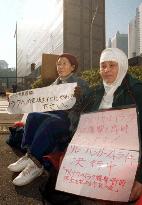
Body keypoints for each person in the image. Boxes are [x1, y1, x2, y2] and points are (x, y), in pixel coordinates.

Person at [7, 53, 93, 186]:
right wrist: (16, 100)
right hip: (54, 115)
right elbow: (38, 99)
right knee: (33, 116)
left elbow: (88, 102)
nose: (60, 66)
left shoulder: (80, 83)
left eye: (64, 63)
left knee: (50, 122)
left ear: (72, 67)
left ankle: (35, 164)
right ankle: (29, 155)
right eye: (58, 64)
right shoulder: (55, 83)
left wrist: (80, 95)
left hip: (69, 120)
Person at [81, 48, 142, 204]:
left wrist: (140, 178)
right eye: (103, 66)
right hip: (93, 151)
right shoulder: (95, 91)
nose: (106, 70)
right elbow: (79, 122)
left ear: (122, 66)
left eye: (112, 65)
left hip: (125, 156)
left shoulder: (136, 91)